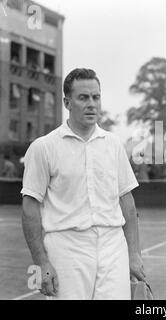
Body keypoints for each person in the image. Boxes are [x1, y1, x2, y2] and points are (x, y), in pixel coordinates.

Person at [21, 68, 145, 300]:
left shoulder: (114, 144)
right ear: (67, 102)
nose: (91, 104)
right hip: (66, 248)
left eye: (96, 97)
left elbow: (127, 202)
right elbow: (29, 208)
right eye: (83, 97)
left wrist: (134, 253)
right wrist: (41, 262)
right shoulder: (44, 147)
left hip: (113, 246)